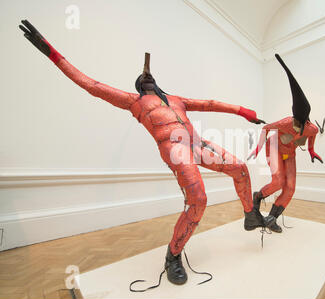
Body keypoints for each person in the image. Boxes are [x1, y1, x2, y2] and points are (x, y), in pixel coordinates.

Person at [19, 20, 267, 285]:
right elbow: (91, 85)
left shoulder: (176, 100)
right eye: (141, 78)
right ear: (138, 86)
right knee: (198, 199)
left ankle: (250, 214)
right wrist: (53, 54)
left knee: (240, 168)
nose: (145, 77)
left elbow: (210, 104)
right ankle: (173, 255)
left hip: (198, 143)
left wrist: (244, 113)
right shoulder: (134, 102)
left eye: (148, 76)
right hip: (175, 150)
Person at [248, 54, 323, 233]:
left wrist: (312, 151)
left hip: (289, 152)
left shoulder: (312, 129)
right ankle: (257, 197)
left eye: (299, 123)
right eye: (294, 121)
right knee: (278, 182)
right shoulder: (285, 122)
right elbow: (266, 128)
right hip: (273, 147)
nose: (295, 126)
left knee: (290, 189)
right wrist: (258, 148)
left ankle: (271, 218)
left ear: (306, 122)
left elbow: (312, 137)